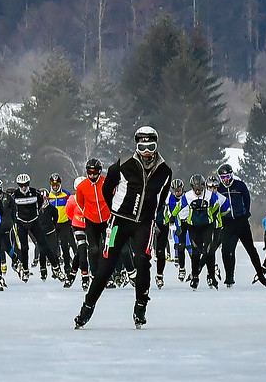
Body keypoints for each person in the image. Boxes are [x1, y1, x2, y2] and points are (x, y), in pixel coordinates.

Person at [75, 127, 175, 329]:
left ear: (156, 146)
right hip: (119, 222)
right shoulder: (122, 165)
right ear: (136, 146)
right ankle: (87, 307)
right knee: (106, 265)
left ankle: (140, 307)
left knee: (143, 260)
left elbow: (162, 199)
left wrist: (153, 217)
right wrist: (116, 208)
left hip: (144, 224)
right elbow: (106, 189)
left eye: (151, 147)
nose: (147, 151)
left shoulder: (165, 171)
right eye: (142, 146)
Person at [214, 165, 266, 288]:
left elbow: (247, 200)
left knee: (251, 249)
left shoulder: (240, 185)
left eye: (227, 176)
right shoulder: (219, 188)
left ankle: (260, 275)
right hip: (227, 222)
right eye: (222, 177)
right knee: (226, 250)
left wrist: (244, 214)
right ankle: (229, 277)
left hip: (241, 222)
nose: (225, 180)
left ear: (231, 175)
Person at [70, 158, 111, 291]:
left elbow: (114, 197)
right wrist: (88, 213)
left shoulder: (106, 183)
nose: (92, 176)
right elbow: (80, 203)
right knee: (93, 249)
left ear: (99, 172)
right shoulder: (82, 187)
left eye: (95, 173)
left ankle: (109, 275)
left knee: (108, 248)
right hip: (91, 221)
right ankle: (94, 275)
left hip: (106, 220)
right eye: (90, 173)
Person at [181, 174, 221, 290]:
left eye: (200, 189)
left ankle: (211, 276)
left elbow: (217, 206)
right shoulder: (187, 196)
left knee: (209, 251)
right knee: (195, 252)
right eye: (195, 189)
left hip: (207, 226)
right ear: (192, 187)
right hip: (193, 227)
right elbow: (180, 209)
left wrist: (213, 217)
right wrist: (172, 217)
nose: (198, 191)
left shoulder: (210, 195)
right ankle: (195, 277)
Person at [7, 173, 48, 283]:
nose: (24, 187)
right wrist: (15, 220)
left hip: (34, 222)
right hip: (21, 223)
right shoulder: (15, 196)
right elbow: (11, 209)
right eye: (21, 185)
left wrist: (36, 213)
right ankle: (24, 268)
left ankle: (44, 266)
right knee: (24, 247)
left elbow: (39, 203)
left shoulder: (34, 193)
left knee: (40, 243)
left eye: (25, 185)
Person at [46, 175, 74, 282]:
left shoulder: (66, 194)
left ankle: (67, 268)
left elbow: (71, 207)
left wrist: (71, 221)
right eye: (53, 185)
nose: (55, 187)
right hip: (54, 225)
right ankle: (56, 269)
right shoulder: (48, 196)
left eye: (57, 184)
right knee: (54, 248)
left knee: (65, 247)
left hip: (64, 224)